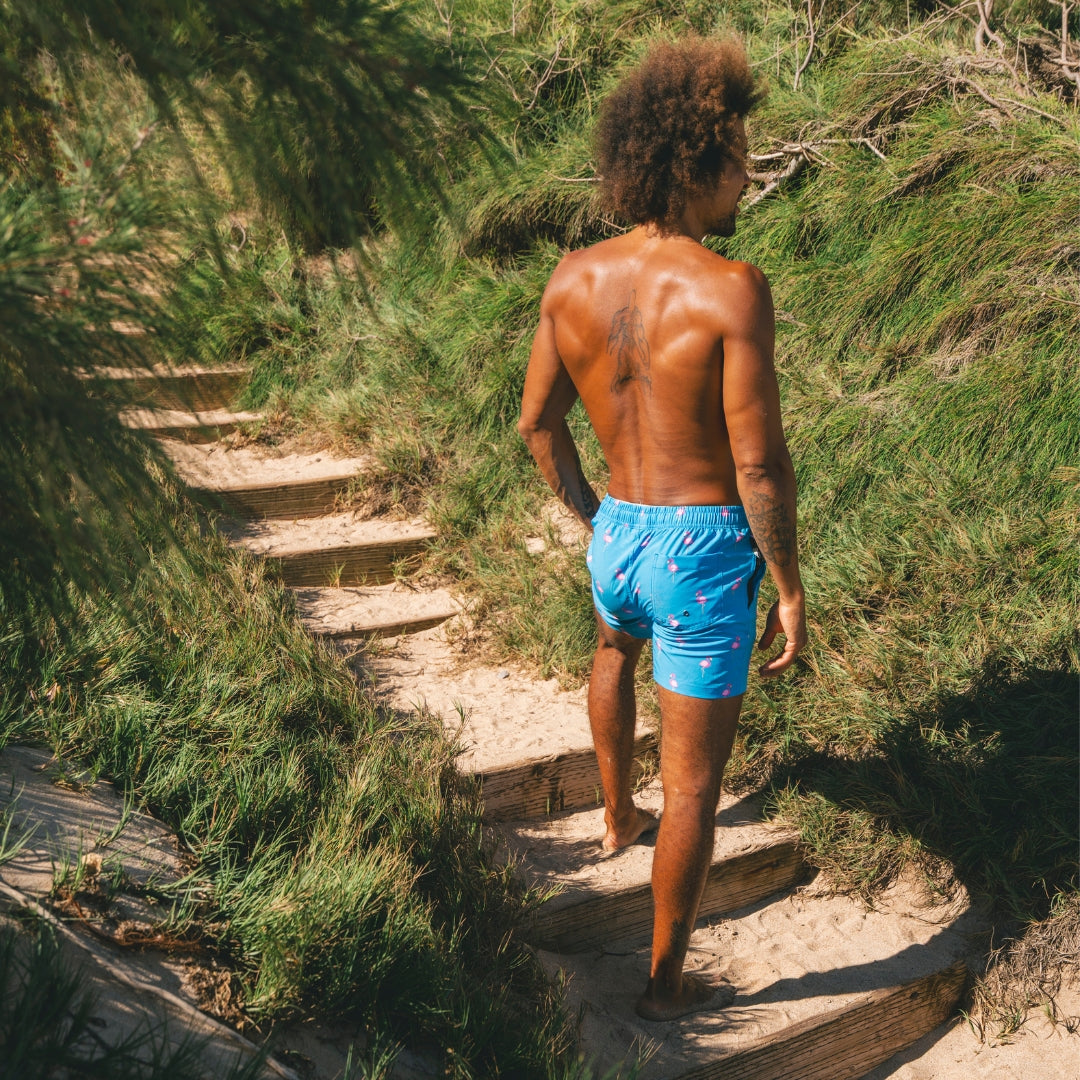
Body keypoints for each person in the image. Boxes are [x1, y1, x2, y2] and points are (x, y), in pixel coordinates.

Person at [517, 36, 807, 1022]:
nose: (749, 176)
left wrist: (593, 514)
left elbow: (536, 425)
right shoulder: (731, 289)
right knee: (694, 789)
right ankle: (664, 982)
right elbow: (758, 462)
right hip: (704, 546)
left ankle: (609, 819)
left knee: (611, 650)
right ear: (699, 160)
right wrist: (792, 585)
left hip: (621, 534)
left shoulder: (570, 278)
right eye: (741, 156)